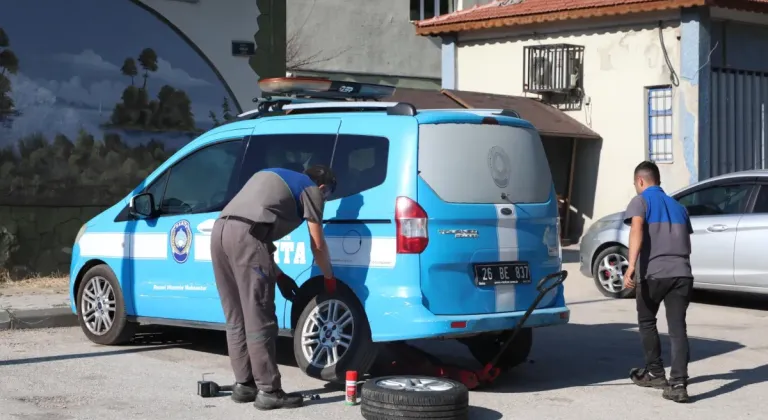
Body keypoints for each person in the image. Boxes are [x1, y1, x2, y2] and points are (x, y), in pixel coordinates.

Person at [210, 164, 337, 410]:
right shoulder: (311, 190)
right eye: (327, 194)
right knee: (260, 317)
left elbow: (255, 229)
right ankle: (269, 390)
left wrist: (278, 276)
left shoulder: (275, 176)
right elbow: (317, 244)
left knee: (236, 316)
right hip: (246, 237)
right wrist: (329, 277)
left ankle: (244, 385)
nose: (324, 199)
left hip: (220, 233)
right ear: (323, 187)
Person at [623, 160, 694, 403]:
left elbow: (636, 229)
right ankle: (679, 384)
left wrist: (631, 265)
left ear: (640, 181)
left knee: (646, 321)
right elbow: (686, 241)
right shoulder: (679, 206)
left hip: (653, 273)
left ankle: (655, 373)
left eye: (635, 183)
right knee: (677, 329)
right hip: (682, 273)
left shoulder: (640, 201)